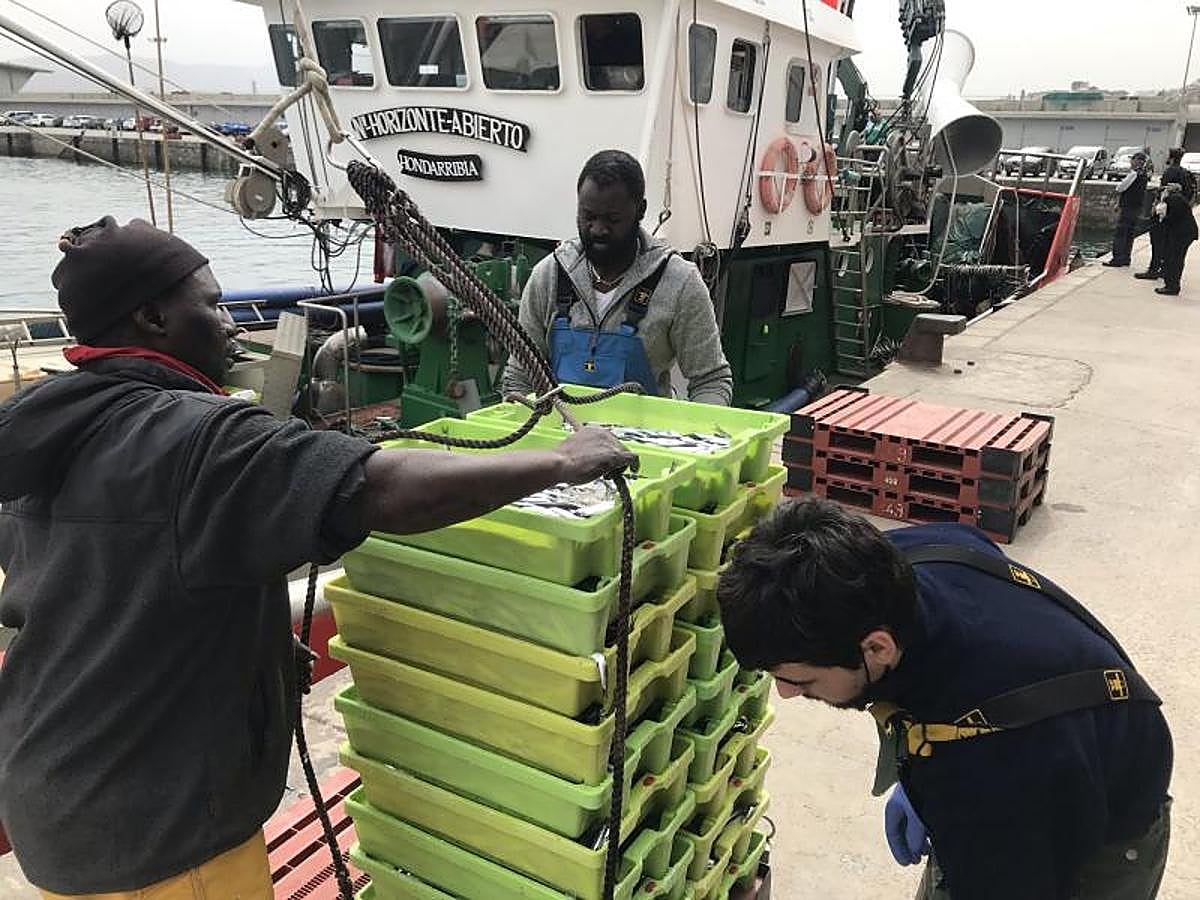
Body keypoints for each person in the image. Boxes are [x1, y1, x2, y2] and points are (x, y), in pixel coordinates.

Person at [0, 217, 635, 898]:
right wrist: (559, 463)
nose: (232, 325)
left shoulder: (46, 426)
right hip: (161, 839)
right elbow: (379, 488)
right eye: (211, 305)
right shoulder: (198, 439)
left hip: (53, 797)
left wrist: (254, 651)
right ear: (153, 317)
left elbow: (118, 586)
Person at [718, 498, 1173, 900]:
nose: (787, 693)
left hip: (1105, 816)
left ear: (878, 648)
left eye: (804, 681)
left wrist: (945, 794)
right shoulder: (897, 563)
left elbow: (1008, 872)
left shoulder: (989, 772)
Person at [503, 150, 733, 405]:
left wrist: (698, 434)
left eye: (613, 220)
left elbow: (711, 380)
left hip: (643, 441)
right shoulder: (548, 276)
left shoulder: (680, 282)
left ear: (641, 210)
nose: (598, 229)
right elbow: (519, 375)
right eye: (588, 217)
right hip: (560, 439)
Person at [1137, 148, 1195, 281]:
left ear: (1172, 158)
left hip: (1165, 213)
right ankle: (1164, 269)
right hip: (1176, 214)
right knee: (1167, 244)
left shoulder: (1171, 171)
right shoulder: (1184, 172)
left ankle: (1153, 269)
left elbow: (1164, 193)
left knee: (1157, 241)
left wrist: (1154, 207)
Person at [1102, 151, 1148, 268]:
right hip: (1137, 208)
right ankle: (1126, 258)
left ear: (1138, 161)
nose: (1131, 162)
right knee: (1129, 234)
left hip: (1128, 208)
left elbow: (1121, 188)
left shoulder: (1134, 174)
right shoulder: (1144, 174)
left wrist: (1119, 202)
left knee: (1121, 233)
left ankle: (1117, 258)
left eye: (1133, 159)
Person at [1154, 181, 1197, 296]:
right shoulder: (1177, 198)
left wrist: (1162, 218)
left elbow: (1172, 217)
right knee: (1175, 258)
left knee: (1175, 258)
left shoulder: (1173, 199)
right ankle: (1171, 283)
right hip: (1185, 232)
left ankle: (1172, 286)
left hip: (1182, 233)